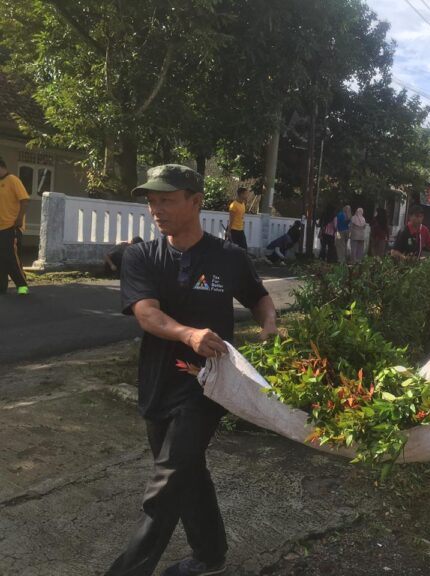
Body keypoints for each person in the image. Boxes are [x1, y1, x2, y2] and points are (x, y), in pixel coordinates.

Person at [105, 164, 277, 576]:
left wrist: (269, 325)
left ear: (196, 202)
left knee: (166, 483)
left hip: (207, 385)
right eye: (152, 201)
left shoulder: (228, 257)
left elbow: (259, 298)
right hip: (156, 381)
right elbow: (147, 313)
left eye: (166, 200)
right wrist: (188, 334)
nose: (156, 209)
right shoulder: (141, 256)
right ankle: (210, 555)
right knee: (187, 472)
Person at [0, 155, 30, 295]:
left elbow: (24, 200)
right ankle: (1, 287)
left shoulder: (12, 180)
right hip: (0, 227)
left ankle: (22, 286)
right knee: (1, 258)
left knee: (11, 258)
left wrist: (19, 219)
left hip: (12, 226)